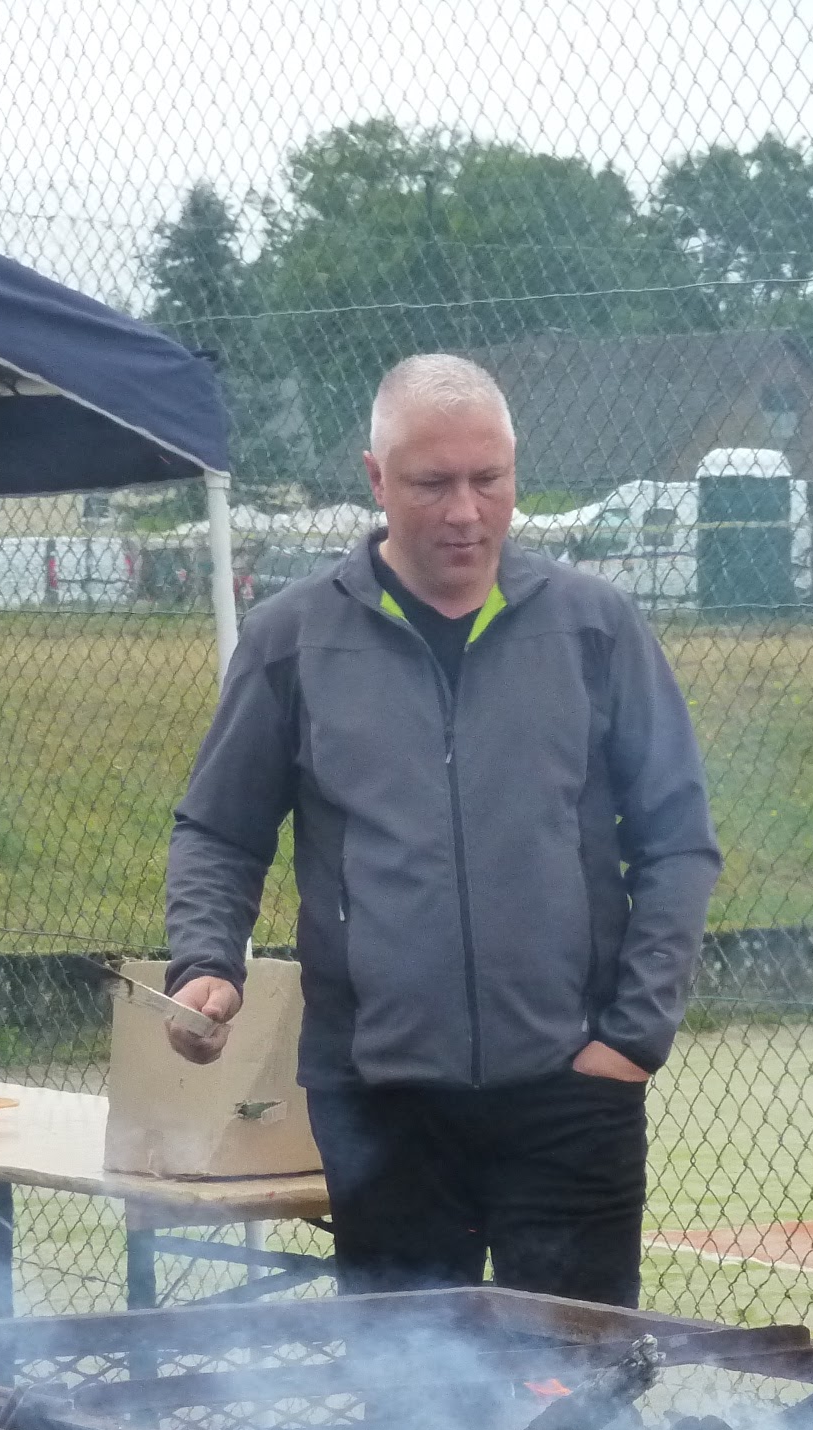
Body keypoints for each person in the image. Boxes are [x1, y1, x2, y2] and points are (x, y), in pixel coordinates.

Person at [162, 354, 721, 1303]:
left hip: (573, 1093)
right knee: (407, 1401)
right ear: (377, 480)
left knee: (579, 1402)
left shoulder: (596, 627)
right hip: (378, 1102)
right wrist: (206, 962)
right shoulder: (292, 639)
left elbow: (677, 839)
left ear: (514, 471)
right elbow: (219, 830)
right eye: (433, 484)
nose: (466, 512)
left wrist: (631, 1038)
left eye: (488, 480)